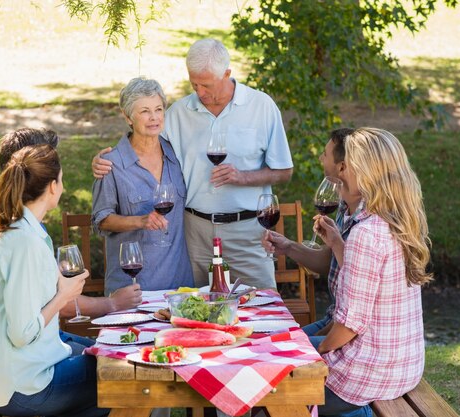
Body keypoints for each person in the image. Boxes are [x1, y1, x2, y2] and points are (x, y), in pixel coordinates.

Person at [92, 39, 293, 289]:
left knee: (261, 306)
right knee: (198, 311)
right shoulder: (178, 112)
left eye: (206, 85)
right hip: (195, 235)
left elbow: (284, 171)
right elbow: (142, 143)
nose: (199, 92)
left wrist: (243, 178)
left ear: (227, 74)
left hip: (247, 231)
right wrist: (104, 161)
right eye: (193, 83)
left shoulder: (261, 106)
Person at [0, 128, 141, 360]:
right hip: (17, 358)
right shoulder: (16, 227)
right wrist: (112, 304)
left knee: (106, 353)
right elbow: (52, 302)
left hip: (3, 350)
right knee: (113, 363)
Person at [302, 128, 432, 416]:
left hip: (367, 373)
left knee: (271, 386)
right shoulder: (397, 220)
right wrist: (337, 243)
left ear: (358, 169)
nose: (340, 170)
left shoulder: (367, 232)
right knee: (287, 350)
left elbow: (349, 326)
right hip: (403, 365)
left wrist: (318, 350)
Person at [0, 144, 108, 417]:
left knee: (103, 353)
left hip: (7, 380)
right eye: (61, 180)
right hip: (22, 389)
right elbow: (21, 334)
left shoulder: (18, 230)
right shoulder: (24, 242)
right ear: (53, 187)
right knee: (123, 375)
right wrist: (64, 296)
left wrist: (53, 280)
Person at [92, 77, 194, 294]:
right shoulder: (111, 163)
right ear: (128, 116)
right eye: (145, 111)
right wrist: (140, 220)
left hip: (180, 285)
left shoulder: (177, 154)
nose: (154, 117)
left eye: (158, 109)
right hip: (132, 287)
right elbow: (101, 221)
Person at [262, 128, 361, 348]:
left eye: (325, 154)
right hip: (334, 318)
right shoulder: (346, 207)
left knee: (275, 349)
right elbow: (328, 263)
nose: (320, 158)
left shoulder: (368, 226)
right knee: (270, 342)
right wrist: (288, 247)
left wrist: (314, 351)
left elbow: (354, 322)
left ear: (341, 167)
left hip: (352, 335)